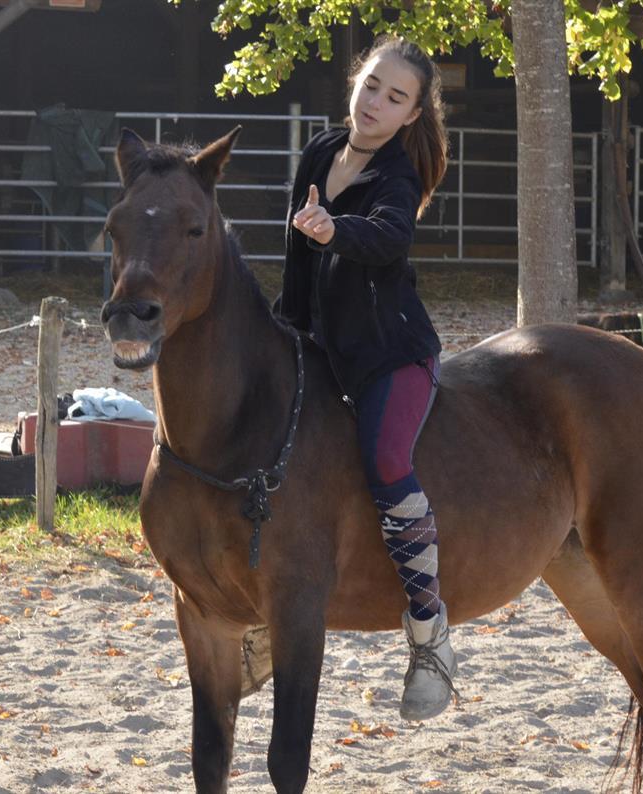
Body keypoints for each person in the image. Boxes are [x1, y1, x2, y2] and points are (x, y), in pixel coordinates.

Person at [275, 36, 455, 721]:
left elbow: (387, 239)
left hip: (390, 352)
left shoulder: (398, 173)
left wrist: (334, 232)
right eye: (372, 84)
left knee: (385, 460)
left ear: (412, 115)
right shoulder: (321, 150)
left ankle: (430, 632)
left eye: (395, 96)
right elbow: (296, 253)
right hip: (321, 344)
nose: (376, 102)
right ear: (356, 79)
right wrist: (283, 332)